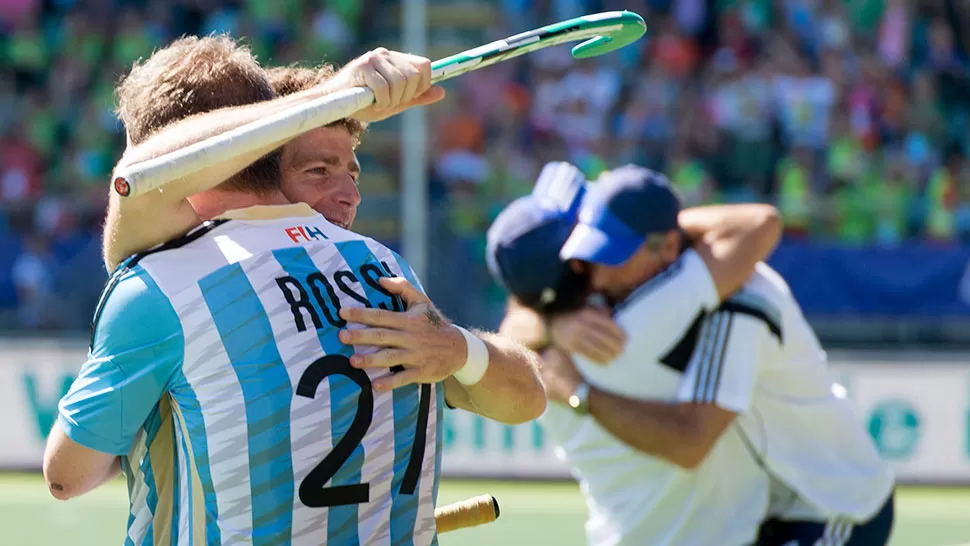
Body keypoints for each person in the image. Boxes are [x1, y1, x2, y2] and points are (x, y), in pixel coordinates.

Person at [43, 35, 545, 546]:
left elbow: (67, 475)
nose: (349, 194)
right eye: (317, 171)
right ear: (267, 158)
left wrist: (458, 347)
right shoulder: (384, 265)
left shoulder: (164, 285)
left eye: (351, 171)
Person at [490, 164, 896, 546]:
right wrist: (653, 231)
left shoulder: (564, 337)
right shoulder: (638, 306)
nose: (599, 267)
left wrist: (565, 365)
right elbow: (758, 224)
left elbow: (689, 440)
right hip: (784, 506)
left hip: (829, 506)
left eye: (609, 248)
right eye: (590, 249)